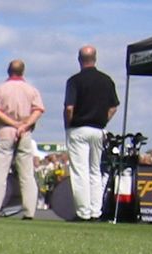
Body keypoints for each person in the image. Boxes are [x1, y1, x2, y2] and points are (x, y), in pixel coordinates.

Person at [64, 45, 120, 221]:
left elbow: (69, 107)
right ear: (95, 58)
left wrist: (69, 124)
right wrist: (103, 120)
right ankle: (96, 211)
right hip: (98, 129)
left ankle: (83, 212)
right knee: (95, 170)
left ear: (79, 60)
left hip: (79, 128)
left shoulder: (74, 81)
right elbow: (113, 107)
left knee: (80, 171)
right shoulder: (107, 80)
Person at [0, 59, 45, 219]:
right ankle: (29, 212)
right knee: (27, 174)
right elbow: (38, 110)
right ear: (23, 71)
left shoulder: (0, 89)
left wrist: (13, 123)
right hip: (25, 133)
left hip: (6, 131)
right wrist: (24, 125)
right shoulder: (31, 90)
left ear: (8, 71)